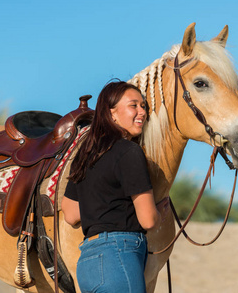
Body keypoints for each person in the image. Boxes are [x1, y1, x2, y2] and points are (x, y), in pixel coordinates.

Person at [61, 80, 170, 293]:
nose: (142, 112)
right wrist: (159, 213)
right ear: (112, 114)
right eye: (133, 105)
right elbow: (147, 219)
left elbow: (71, 214)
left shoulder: (85, 154)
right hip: (120, 257)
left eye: (143, 106)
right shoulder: (129, 151)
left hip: (88, 262)